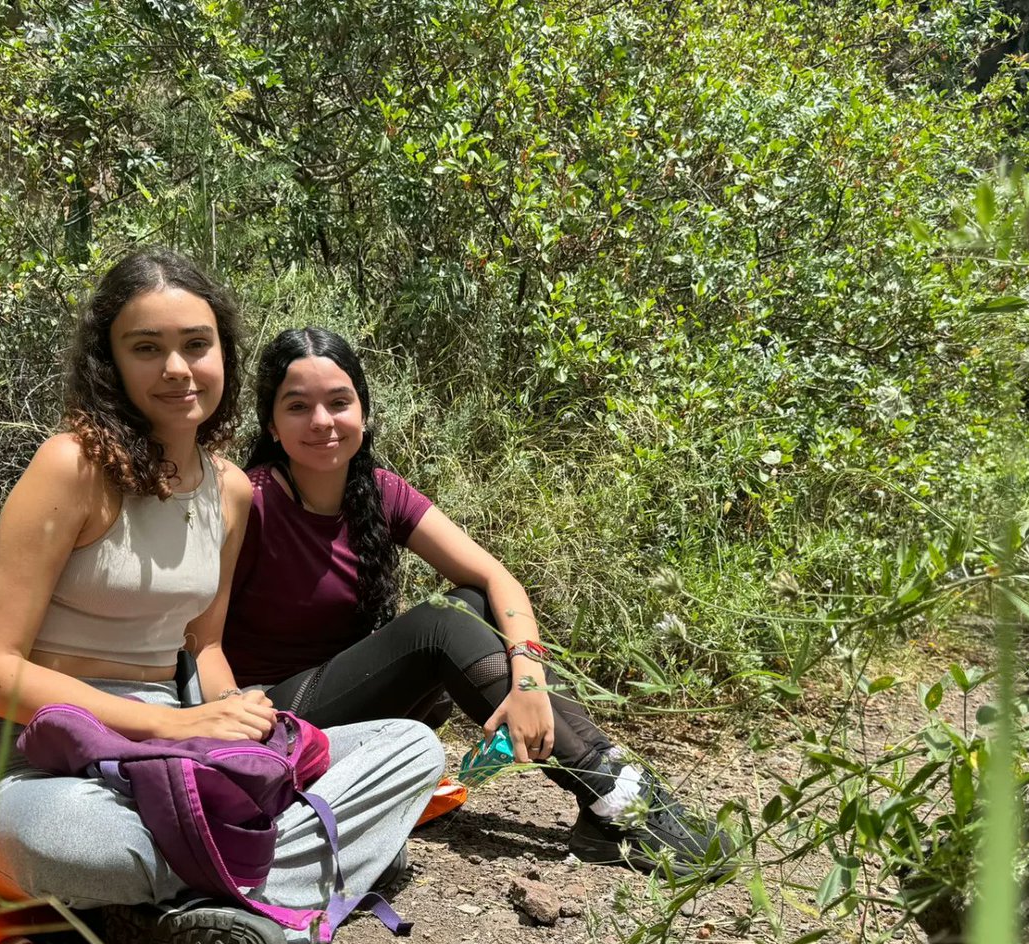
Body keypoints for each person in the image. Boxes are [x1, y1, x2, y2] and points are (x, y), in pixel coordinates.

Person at [0, 254, 444, 944]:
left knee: (410, 750)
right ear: (109, 362)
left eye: (196, 345)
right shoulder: (71, 467)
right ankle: (251, 888)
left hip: (177, 760)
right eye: (146, 347)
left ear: (225, 357)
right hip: (35, 769)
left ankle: (175, 912)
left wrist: (235, 717)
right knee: (83, 844)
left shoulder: (230, 490)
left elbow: (203, 646)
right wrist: (166, 722)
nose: (177, 368)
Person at [223, 327, 729, 876]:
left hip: (349, 711)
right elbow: (192, 634)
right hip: (271, 716)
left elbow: (496, 578)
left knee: (471, 601)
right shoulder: (250, 501)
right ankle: (621, 796)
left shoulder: (379, 491)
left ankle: (612, 798)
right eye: (298, 406)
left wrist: (529, 680)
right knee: (444, 622)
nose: (322, 421)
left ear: (363, 413)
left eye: (339, 402)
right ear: (271, 425)